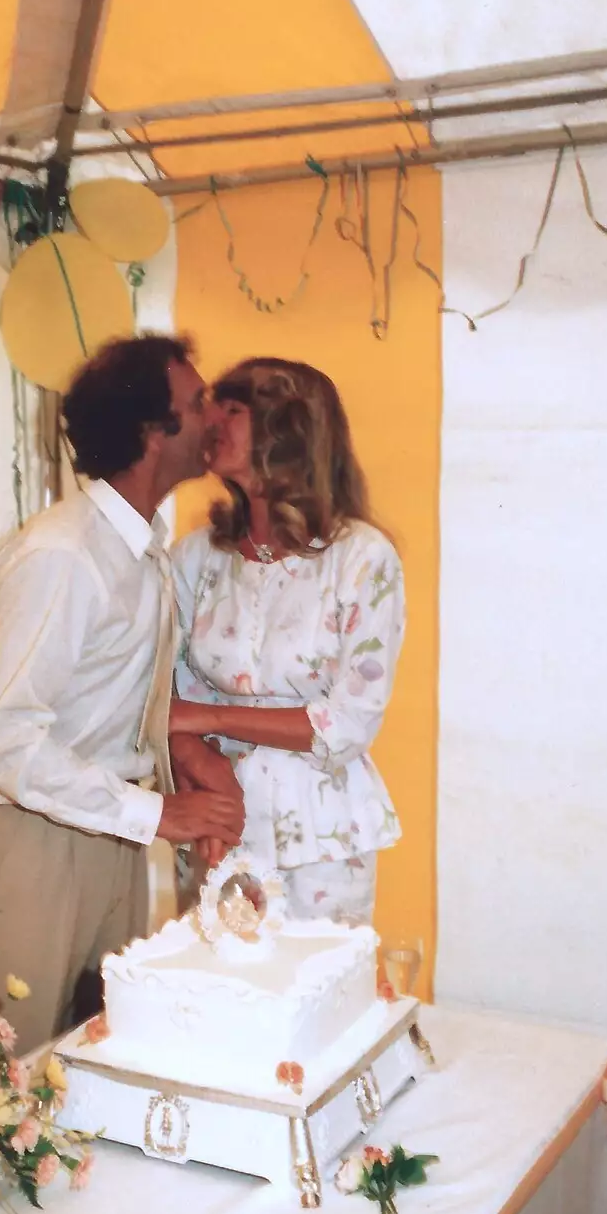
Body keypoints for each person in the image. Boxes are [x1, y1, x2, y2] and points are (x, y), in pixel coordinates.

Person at [0, 334, 244, 1052]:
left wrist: (188, 782)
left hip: (110, 839)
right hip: (37, 846)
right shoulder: (63, 555)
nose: (212, 417)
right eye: (196, 401)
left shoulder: (141, 551)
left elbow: (132, 707)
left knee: (93, 1058)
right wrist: (157, 813)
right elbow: (5, 742)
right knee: (8, 1070)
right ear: (153, 432)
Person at [168, 357, 404, 925]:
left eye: (233, 409)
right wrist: (199, 767)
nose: (211, 423)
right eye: (210, 407)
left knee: (309, 998)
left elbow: (344, 726)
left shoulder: (362, 558)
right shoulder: (196, 558)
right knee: (211, 997)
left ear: (289, 428)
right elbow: (160, 699)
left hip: (319, 843)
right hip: (214, 825)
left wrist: (208, 720)